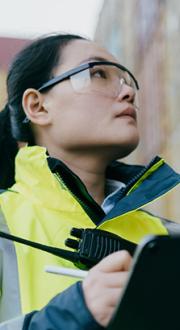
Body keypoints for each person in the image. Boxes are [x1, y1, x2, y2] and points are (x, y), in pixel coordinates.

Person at [0, 33, 179, 330]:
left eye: (127, 80)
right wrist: (69, 315)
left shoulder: (167, 238)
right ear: (38, 106)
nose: (127, 92)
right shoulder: (4, 223)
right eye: (97, 73)